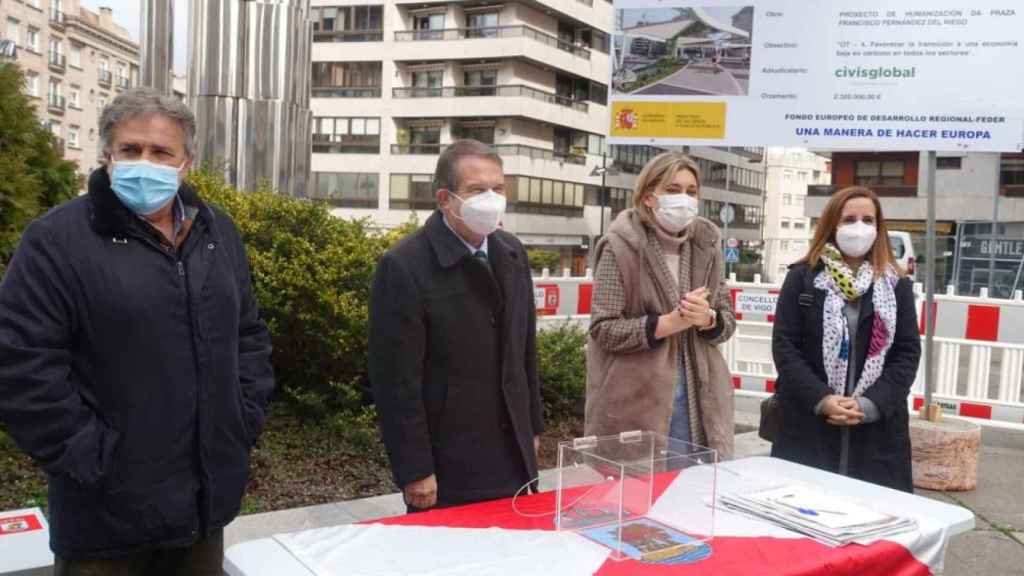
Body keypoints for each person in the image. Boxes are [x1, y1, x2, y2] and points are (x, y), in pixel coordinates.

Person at [0, 88, 275, 574]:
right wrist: (89, 457)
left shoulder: (217, 233)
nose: (143, 162)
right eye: (130, 150)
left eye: (160, 151)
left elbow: (247, 335)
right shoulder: (55, 240)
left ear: (186, 162)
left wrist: (242, 419)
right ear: (108, 155)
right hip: (104, 519)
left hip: (201, 509)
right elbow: (22, 364)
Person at [369, 140, 542, 511]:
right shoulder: (404, 265)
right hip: (449, 459)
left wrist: (532, 428)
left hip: (512, 450)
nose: (491, 199)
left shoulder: (511, 251)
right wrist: (414, 469)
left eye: (498, 189)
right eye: (477, 191)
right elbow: (396, 381)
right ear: (445, 199)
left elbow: (525, 351)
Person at [586, 152, 737, 458]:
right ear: (648, 197)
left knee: (692, 493)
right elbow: (603, 329)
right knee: (639, 495)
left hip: (699, 398)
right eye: (672, 190)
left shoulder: (706, 244)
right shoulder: (619, 245)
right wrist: (666, 324)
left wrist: (708, 319)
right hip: (637, 397)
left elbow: (727, 321)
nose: (684, 199)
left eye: (691, 191)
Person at [771, 186, 920, 491]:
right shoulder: (802, 278)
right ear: (831, 225)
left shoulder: (896, 284)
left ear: (879, 228)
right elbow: (785, 347)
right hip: (808, 425)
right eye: (849, 219)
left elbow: (906, 353)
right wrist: (822, 399)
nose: (859, 227)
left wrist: (869, 405)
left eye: (868, 219)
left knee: (873, 520)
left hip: (877, 433)